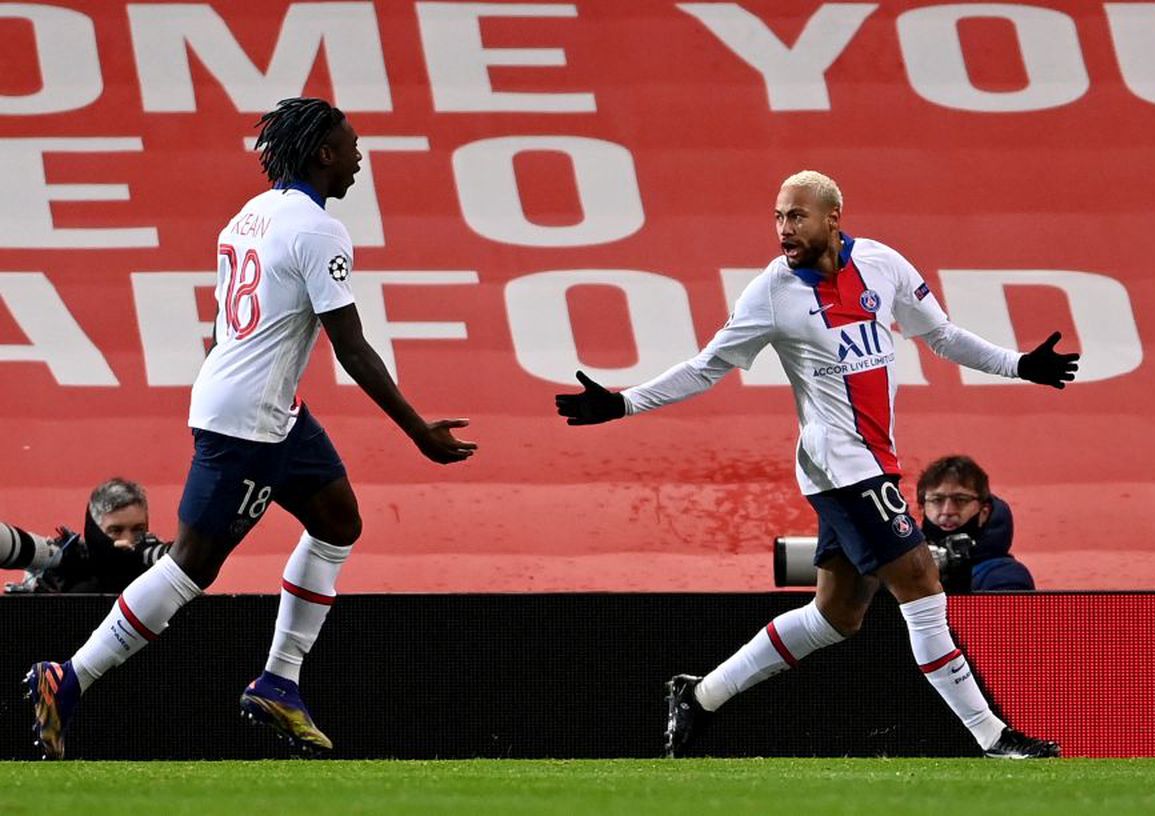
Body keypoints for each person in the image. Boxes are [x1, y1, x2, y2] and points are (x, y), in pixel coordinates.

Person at [556, 170, 1076, 759]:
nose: (783, 229)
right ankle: (994, 737)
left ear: (833, 217)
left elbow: (942, 336)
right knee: (922, 582)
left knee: (837, 615)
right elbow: (708, 366)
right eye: (778, 217)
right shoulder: (772, 293)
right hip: (841, 467)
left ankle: (698, 697)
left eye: (796, 216)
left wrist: (1018, 366)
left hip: (875, 459)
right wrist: (624, 402)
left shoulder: (882, 264)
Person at [25, 97, 477, 760]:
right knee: (190, 568)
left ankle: (280, 682)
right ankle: (69, 679)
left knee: (337, 521)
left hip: (265, 409)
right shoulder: (320, 230)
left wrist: (224, 401)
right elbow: (350, 347)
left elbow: (220, 327)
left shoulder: (249, 215)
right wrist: (418, 432)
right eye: (352, 145)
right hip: (250, 423)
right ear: (323, 153)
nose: (360, 156)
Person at [4, 477, 171, 594]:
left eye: (138, 529)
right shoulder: (64, 571)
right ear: (95, 531)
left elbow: (194, 561)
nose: (126, 540)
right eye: (115, 530)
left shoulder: (160, 569)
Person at [918, 455, 1035, 593]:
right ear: (922, 508)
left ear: (984, 512)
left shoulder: (1005, 576)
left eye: (960, 500)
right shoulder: (903, 568)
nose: (947, 511)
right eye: (937, 500)